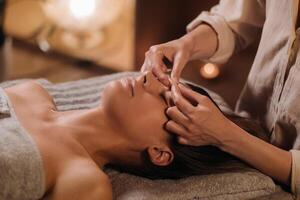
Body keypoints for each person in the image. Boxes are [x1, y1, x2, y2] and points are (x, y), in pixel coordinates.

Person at [0, 71, 266, 200]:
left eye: (164, 97)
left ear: (159, 152)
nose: (149, 77)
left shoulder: (84, 183)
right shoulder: (31, 92)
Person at [141, 0, 300, 198]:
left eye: (165, 99)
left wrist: (226, 136)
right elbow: (236, 18)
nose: (145, 78)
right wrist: (187, 45)